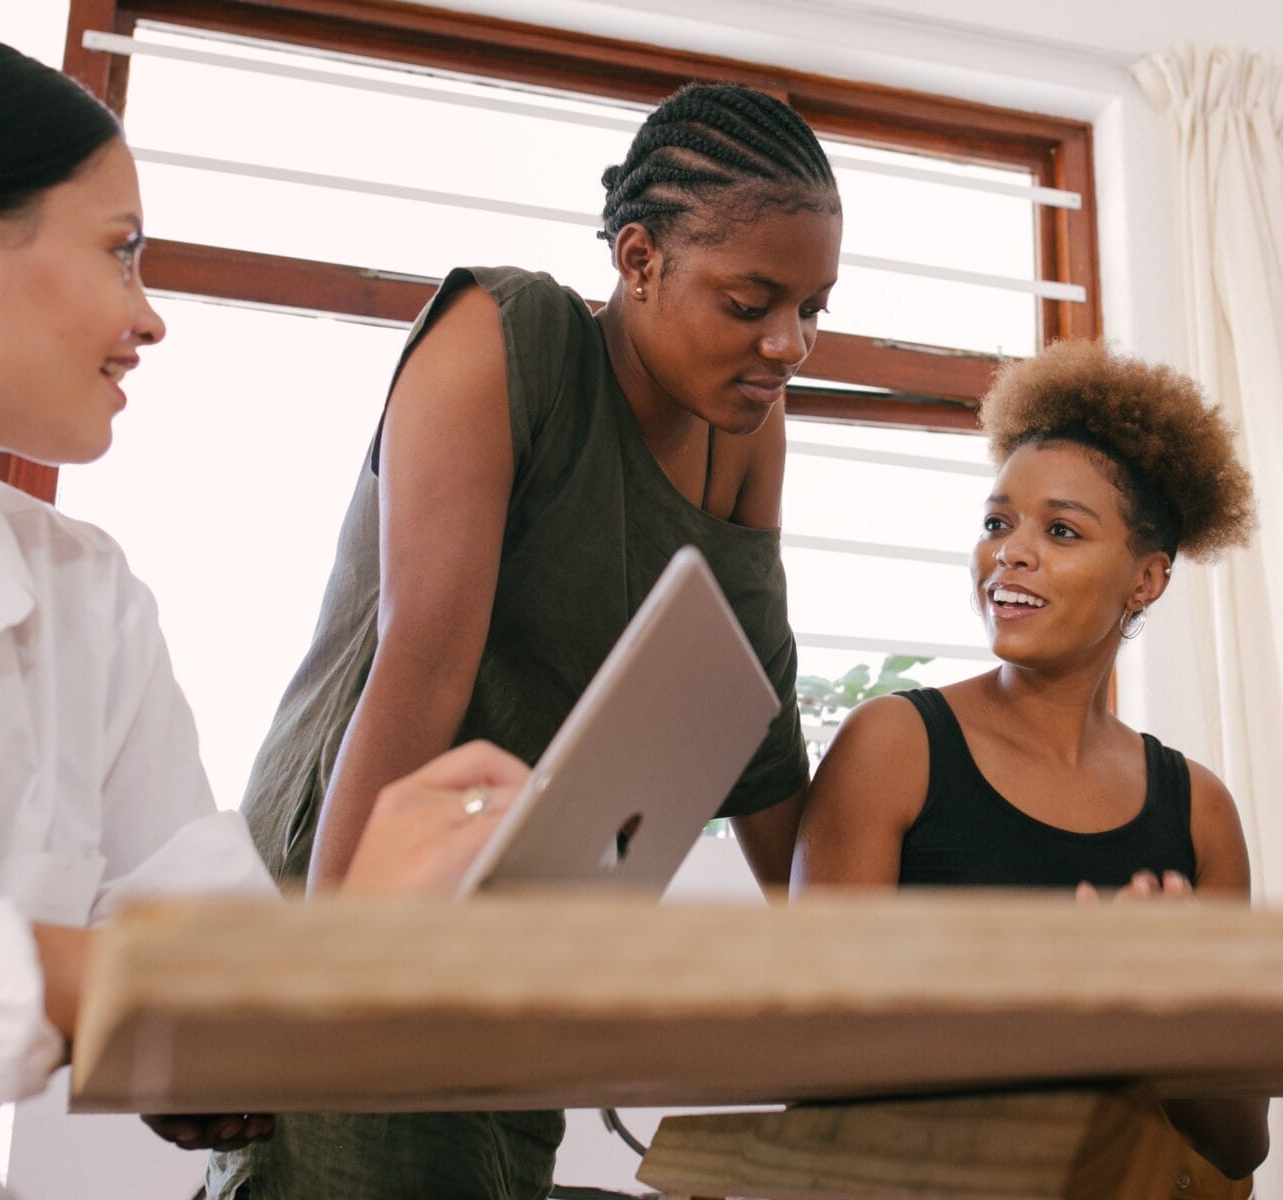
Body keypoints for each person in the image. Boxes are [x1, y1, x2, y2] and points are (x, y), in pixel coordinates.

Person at [0, 30, 521, 1199]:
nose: (149, 318)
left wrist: (350, 944)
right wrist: (81, 975)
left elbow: (217, 1032)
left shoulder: (84, 600)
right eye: (121, 252)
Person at [218, 81, 842, 1199]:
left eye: (813, 308)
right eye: (752, 300)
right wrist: (323, 980)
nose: (787, 343)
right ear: (639, 259)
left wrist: (867, 989)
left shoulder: (745, 427)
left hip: (524, 928)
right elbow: (421, 667)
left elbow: (755, 727)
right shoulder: (503, 336)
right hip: (358, 884)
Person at [790, 339, 1269, 1180]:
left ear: (1146, 579)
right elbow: (812, 1053)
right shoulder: (894, 748)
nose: (1010, 552)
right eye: (997, 522)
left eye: (1061, 530)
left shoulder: (1199, 809)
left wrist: (1170, 1012)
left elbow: (1238, 1144)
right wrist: (1071, 1000)